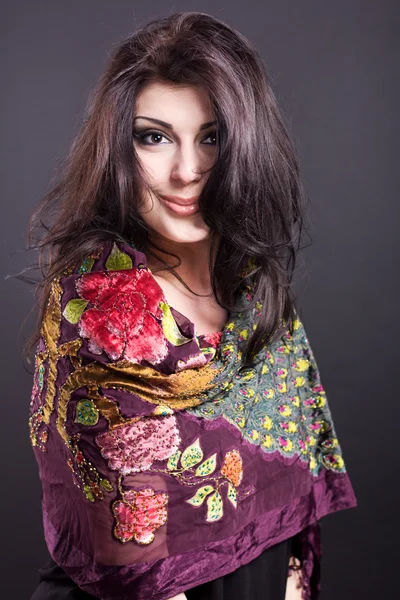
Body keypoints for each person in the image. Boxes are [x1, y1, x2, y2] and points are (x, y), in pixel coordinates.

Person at [25, 11, 357, 600]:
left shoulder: (254, 287)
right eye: (154, 137)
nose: (186, 172)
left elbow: (287, 504)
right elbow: (138, 562)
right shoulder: (99, 300)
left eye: (212, 137)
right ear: (118, 147)